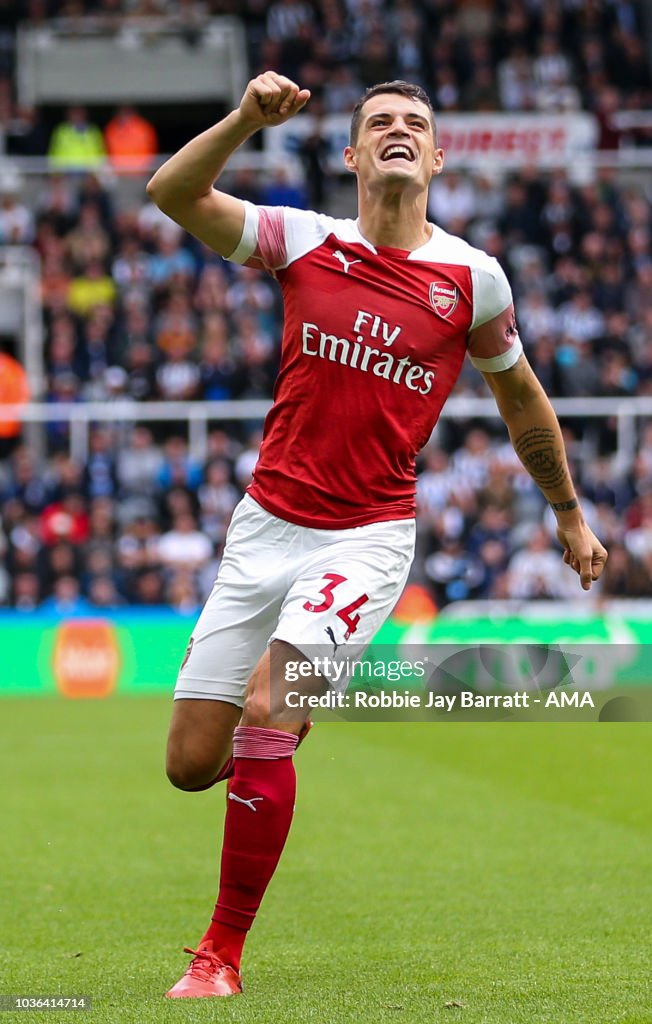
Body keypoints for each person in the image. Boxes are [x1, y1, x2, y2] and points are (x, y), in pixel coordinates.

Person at [147, 70, 608, 1000]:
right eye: (379, 124)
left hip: (365, 536)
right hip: (263, 528)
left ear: (436, 156)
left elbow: (521, 398)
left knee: (270, 708)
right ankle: (285, 723)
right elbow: (172, 194)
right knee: (192, 765)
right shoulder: (300, 241)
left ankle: (218, 957)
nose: (399, 132)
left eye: (415, 124)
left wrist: (567, 511)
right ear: (353, 155)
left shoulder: (473, 280)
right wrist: (244, 116)